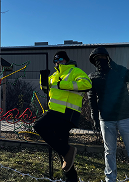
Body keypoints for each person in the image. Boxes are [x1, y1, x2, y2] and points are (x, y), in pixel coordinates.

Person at [33, 51, 92, 182]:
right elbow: (45, 89)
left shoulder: (75, 71)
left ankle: (67, 151)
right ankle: (71, 179)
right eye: (55, 61)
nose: (57, 62)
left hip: (68, 112)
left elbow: (87, 84)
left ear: (66, 59)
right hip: (56, 112)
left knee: (38, 126)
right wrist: (43, 78)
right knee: (63, 150)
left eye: (59, 59)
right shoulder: (54, 75)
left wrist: (64, 85)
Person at [87, 47, 129, 182]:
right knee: (109, 152)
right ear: (94, 62)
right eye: (96, 59)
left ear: (108, 58)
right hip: (106, 119)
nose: (99, 61)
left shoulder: (118, 72)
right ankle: (110, 179)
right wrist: (94, 117)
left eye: (102, 58)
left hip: (126, 117)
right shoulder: (92, 77)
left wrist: (115, 66)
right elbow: (92, 99)